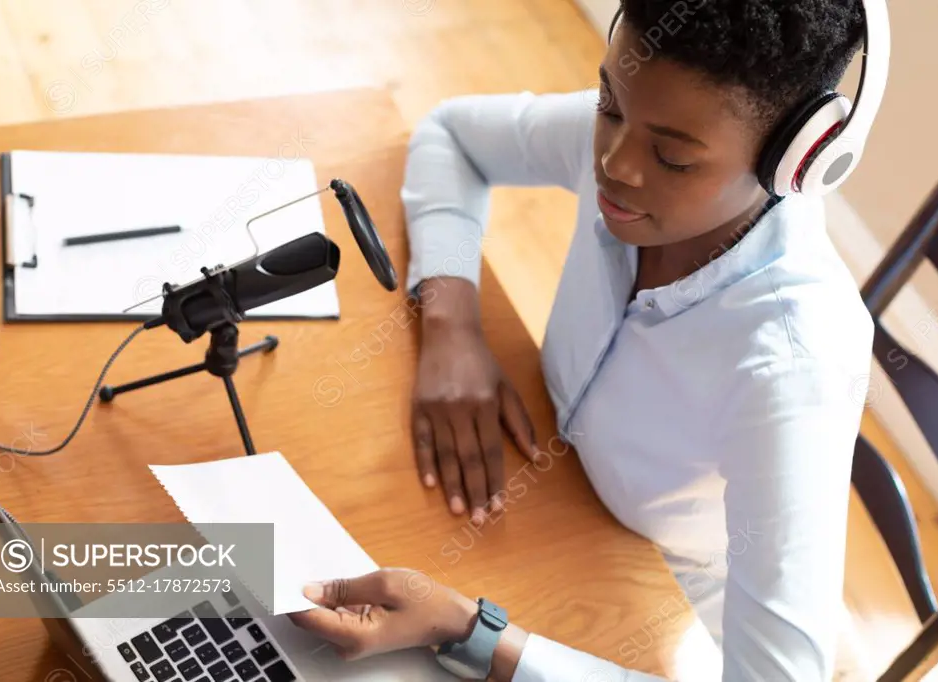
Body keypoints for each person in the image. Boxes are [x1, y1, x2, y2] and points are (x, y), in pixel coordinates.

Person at [291, 1, 876, 680]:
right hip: (550, 483)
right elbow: (451, 133)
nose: (614, 164)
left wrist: (472, 635)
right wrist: (451, 322)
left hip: (671, 599)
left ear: (794, 159)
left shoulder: (792, 367)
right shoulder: (636, 139)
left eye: (671, 157)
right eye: (608, 104)